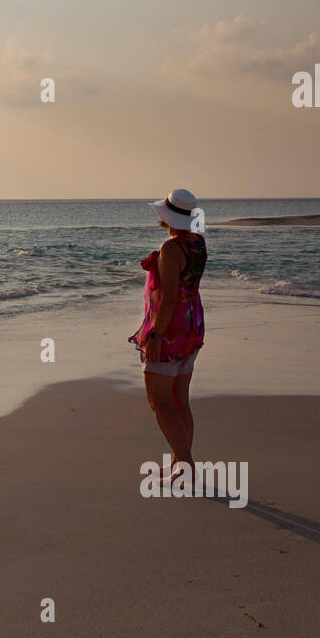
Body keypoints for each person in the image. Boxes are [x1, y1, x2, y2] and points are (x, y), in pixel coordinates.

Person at [129, 189, 207, 484]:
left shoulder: (172, 249)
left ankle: (185, 468)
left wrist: (156, 335)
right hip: (192, 325)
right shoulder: (197, 243)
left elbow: (170, 298)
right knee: (179, 401)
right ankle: (179, 461)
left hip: (171, 330)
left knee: (159, 402)